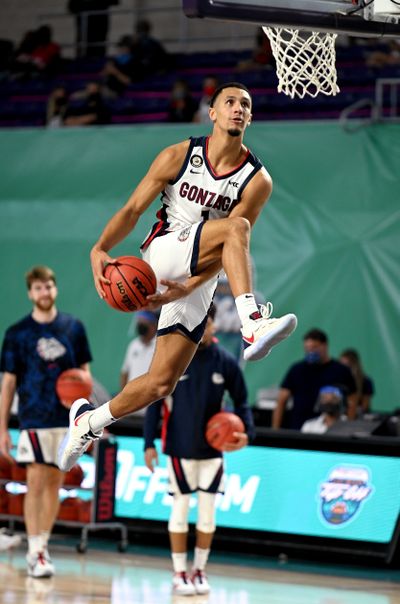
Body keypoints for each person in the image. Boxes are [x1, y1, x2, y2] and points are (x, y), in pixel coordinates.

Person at [58, 81, 297, 472]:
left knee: (160, 383)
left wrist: (189, 286)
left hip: (196, 274)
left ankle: (88, 422)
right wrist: (99, 247)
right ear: (213, 112)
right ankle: (253, 322)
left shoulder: (258, 181)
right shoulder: (180, 155)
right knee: (235, 227)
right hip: (163, 252)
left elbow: (226, 253)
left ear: (250, 117)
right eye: (230, 102)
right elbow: (133, 209)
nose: (239, 108)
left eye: (246, 105)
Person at [143, 306, 254, 595]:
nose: (202, 327)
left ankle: (200, 571)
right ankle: (179, 573)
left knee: (208, 515)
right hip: (178, 448)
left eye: (206, 323)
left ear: (214, 325)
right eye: (197, 323)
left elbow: (242, 401)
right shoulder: (174, 360)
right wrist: (147, 443)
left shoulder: (226, 362)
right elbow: (154, 402)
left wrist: (247, 434)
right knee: (179, 512)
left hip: (213, 452)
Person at [0, 266, 92, 577]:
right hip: (33, 417)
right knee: (35, 480)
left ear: (55, 289)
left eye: (49, 286)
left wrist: (86, 413)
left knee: (55, 482)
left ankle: (42, 546)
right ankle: (34, 550)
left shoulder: (73, 328)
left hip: (65, 421)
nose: (44, 292)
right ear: (30, 293)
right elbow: (8, 383)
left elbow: (85, 377)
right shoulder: (17, 334)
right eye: (38, 288)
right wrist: (2, 427)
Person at [272, 328, 357, 431]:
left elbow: (352, 401)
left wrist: (349, 428)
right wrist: (275, 430)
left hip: (329, 430)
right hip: (298, 430)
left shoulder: (341, 371)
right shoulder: (296, 370)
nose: (310, 351)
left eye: (314, 347)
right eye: (307, 348)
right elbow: (281, 401)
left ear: (325, 346)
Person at [120, 310, 158, 416]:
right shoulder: (133, 345)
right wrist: (124, 398)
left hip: (151, 407)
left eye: (143, 321)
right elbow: (124, 373)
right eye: (139, 321)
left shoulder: (160, 346)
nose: (140, 324)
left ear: (153, 324)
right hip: (131, 408)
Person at [339, 349, 374, 414]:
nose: (343, 369)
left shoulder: (366, 381)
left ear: (355, 365)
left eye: (347, 365)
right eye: (341, 365)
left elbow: (365, 406)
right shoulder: (338, 381)